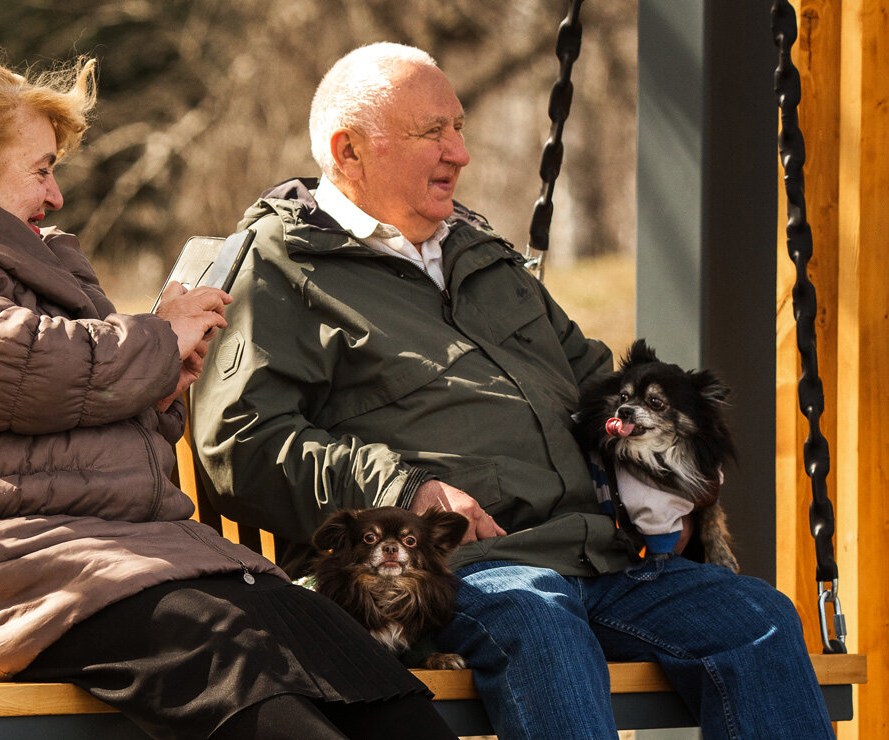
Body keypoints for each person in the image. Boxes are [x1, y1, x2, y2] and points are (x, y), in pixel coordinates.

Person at [0, 50, 460, 740]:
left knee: (334, 648)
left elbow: (68, 406)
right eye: (42, 169)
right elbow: (22, 369)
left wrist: (161, 387)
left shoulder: (25, 261)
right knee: (225, 651)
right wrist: (157, 344)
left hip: (103, 557)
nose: (56, 197)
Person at [190, 42, 835, 739]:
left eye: (459, 127)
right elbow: (242, 443)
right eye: (432, 132)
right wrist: (405, 491)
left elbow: (596, 386)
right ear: (349, 151)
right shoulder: (280, 269)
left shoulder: (482, 257)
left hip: (597, 554)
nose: (460, 152)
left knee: (758, 620)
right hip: (451, 567)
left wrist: (669, 456)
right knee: (539, 620)